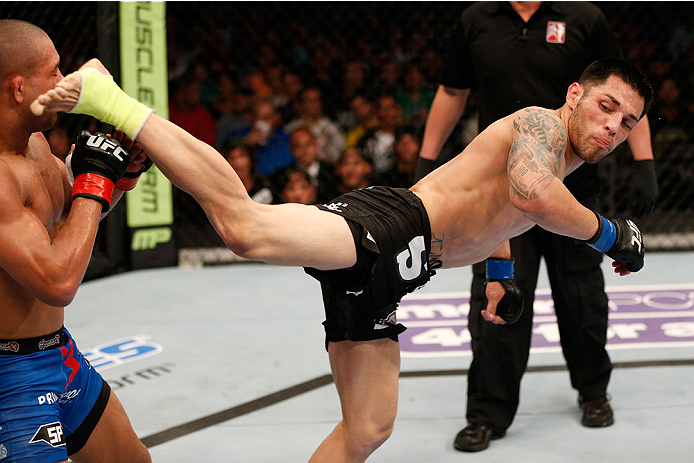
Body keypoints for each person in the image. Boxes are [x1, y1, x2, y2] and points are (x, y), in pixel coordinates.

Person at [33, 57, 652, 463]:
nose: (613, 128)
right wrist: (609, 235)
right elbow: (532, 195)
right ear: (575, 95)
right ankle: (115, 102)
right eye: (606, 108)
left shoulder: (558, 154)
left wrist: (497, 275)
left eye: (627, 124)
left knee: (368, 428)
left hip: (401, 271)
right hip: (393, 226)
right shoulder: (542, 124)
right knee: (245, 227)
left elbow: (505, 210)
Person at [414, 1, 659, 452]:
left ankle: (593, 392)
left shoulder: (583, 18)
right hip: (500, 194)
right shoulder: (477, 18)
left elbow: (624, 95)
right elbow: (453, 91)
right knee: (499, 294)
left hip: (575, 184)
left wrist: (643, 159)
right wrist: (429, 154)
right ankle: (488, 411)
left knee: (582, 294)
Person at [0, 20, 151, 463]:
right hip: (9, 373)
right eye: (55, 71)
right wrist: (94, 179)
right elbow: (58, 280)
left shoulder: (36, 144)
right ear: (19, 88)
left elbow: (73, 220)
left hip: (57, 353)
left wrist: (117, 177)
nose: (65, 82)